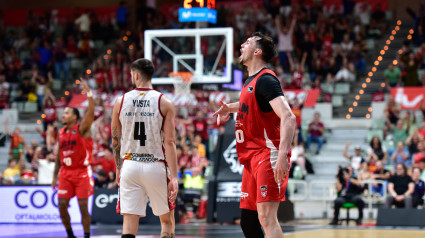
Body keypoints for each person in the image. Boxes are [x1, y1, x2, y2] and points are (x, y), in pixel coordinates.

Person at [213, 32, 295, 238]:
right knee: (248, 222)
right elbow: (251, 102)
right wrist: (229, 108)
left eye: (247, 43)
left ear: (257, 52)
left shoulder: (266, 79)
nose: (242, 45)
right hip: (252, 158)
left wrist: (283, 156)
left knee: (267, 218)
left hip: (268, 154)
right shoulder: (252, 81)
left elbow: (288, 117)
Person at [111, 58, 178, 238]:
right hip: (155, 165)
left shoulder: (120, 101)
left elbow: (115, 140)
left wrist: (118, 167)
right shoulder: (165, 102)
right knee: (166, 221)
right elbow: (170, 142)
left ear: (136, 75)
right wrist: (174, 176)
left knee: (129, 224)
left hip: (130, 164)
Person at [52, 79, 94, 238]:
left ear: (75, 117)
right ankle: (70, 235)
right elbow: (58, 155)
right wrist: (54, 176)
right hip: (65, 173)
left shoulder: (82, 129)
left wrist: (89, 93)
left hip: (82, 173)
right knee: (62, 205)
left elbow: (90, 112)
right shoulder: (61, 132)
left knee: (83, 207)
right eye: (63, 113)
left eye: (67, 113)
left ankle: (87, 236)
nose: (63, 115)